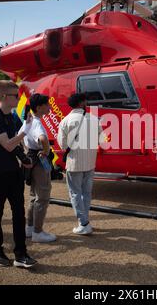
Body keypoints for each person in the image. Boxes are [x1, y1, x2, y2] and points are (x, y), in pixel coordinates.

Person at [0, 80, 36, 268]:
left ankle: (21, 254)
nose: (18, 98)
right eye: (15, 95)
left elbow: (16, 146)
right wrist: (24, 132)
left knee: (19, 213)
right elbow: (7, 145)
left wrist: (23, 158)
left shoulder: (13, 117)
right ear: (4, 97)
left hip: (14, 172)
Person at [58, 94, 102, 235]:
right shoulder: (94, 120)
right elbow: (101, 139)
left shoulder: (65, 121)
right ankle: (85, 220)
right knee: (86, 193)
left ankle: (83, 223)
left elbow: (63, 145)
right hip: (90, 161)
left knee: (75, 193)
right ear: (82, 102)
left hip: (74, 163)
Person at [24, 94, 56, 243]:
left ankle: (29, 228)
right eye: (47, 104)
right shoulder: (36, 122)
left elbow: (19, 137)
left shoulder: (28, 120)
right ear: (39, 107)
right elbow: (43, 139)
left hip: (30, 158)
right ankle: (38, 231)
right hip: (39, 161)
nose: (49, 107)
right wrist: (46, 151)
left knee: (33, 196)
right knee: (42, 196)